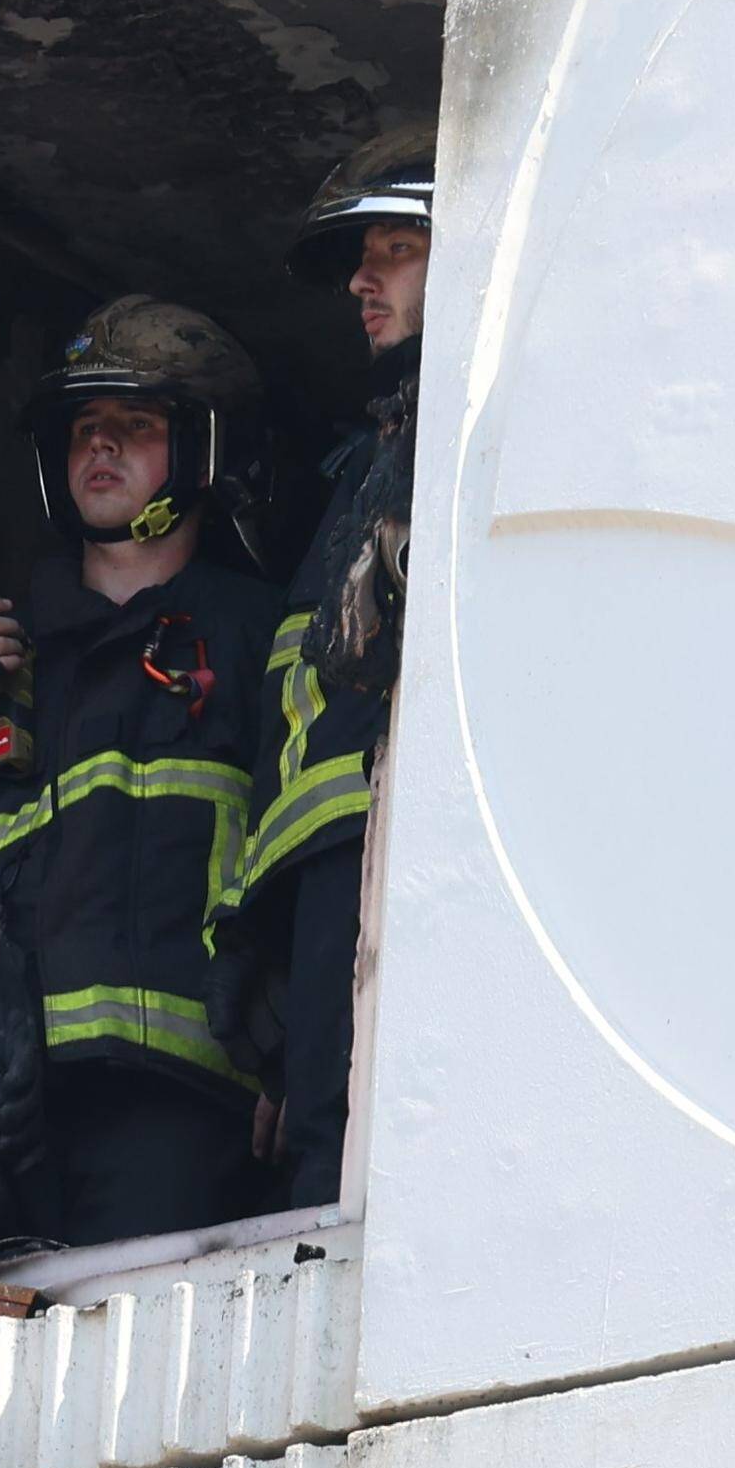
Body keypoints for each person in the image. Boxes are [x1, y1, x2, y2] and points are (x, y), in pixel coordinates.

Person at [0, 297, 293, 1248]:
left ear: (203, 450)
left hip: (172, 1114)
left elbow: (312, 866)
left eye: (136, 423)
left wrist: (295, 1053)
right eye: (83, 427)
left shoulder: (259, 636)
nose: (100, 446)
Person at [227, 118, 433, 1207]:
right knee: (322, 1149)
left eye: (396, 248)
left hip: (413, 856)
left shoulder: (468, 430)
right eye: (363, 256)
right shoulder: (369, 458)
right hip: (326, 876)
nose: (361, 279)